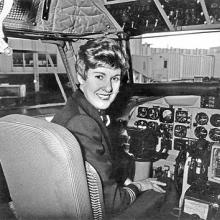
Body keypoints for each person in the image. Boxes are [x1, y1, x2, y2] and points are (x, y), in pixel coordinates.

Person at [52, 37, 166, 217]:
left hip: (67, 206)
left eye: (115, 78)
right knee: (167, 192)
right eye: (99, 76)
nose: (108, 88)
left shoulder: (71, 109)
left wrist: (127, 182)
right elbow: (113, 203)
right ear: (81, 77)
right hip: (98, 213)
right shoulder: (83, 124)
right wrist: (139, 185)